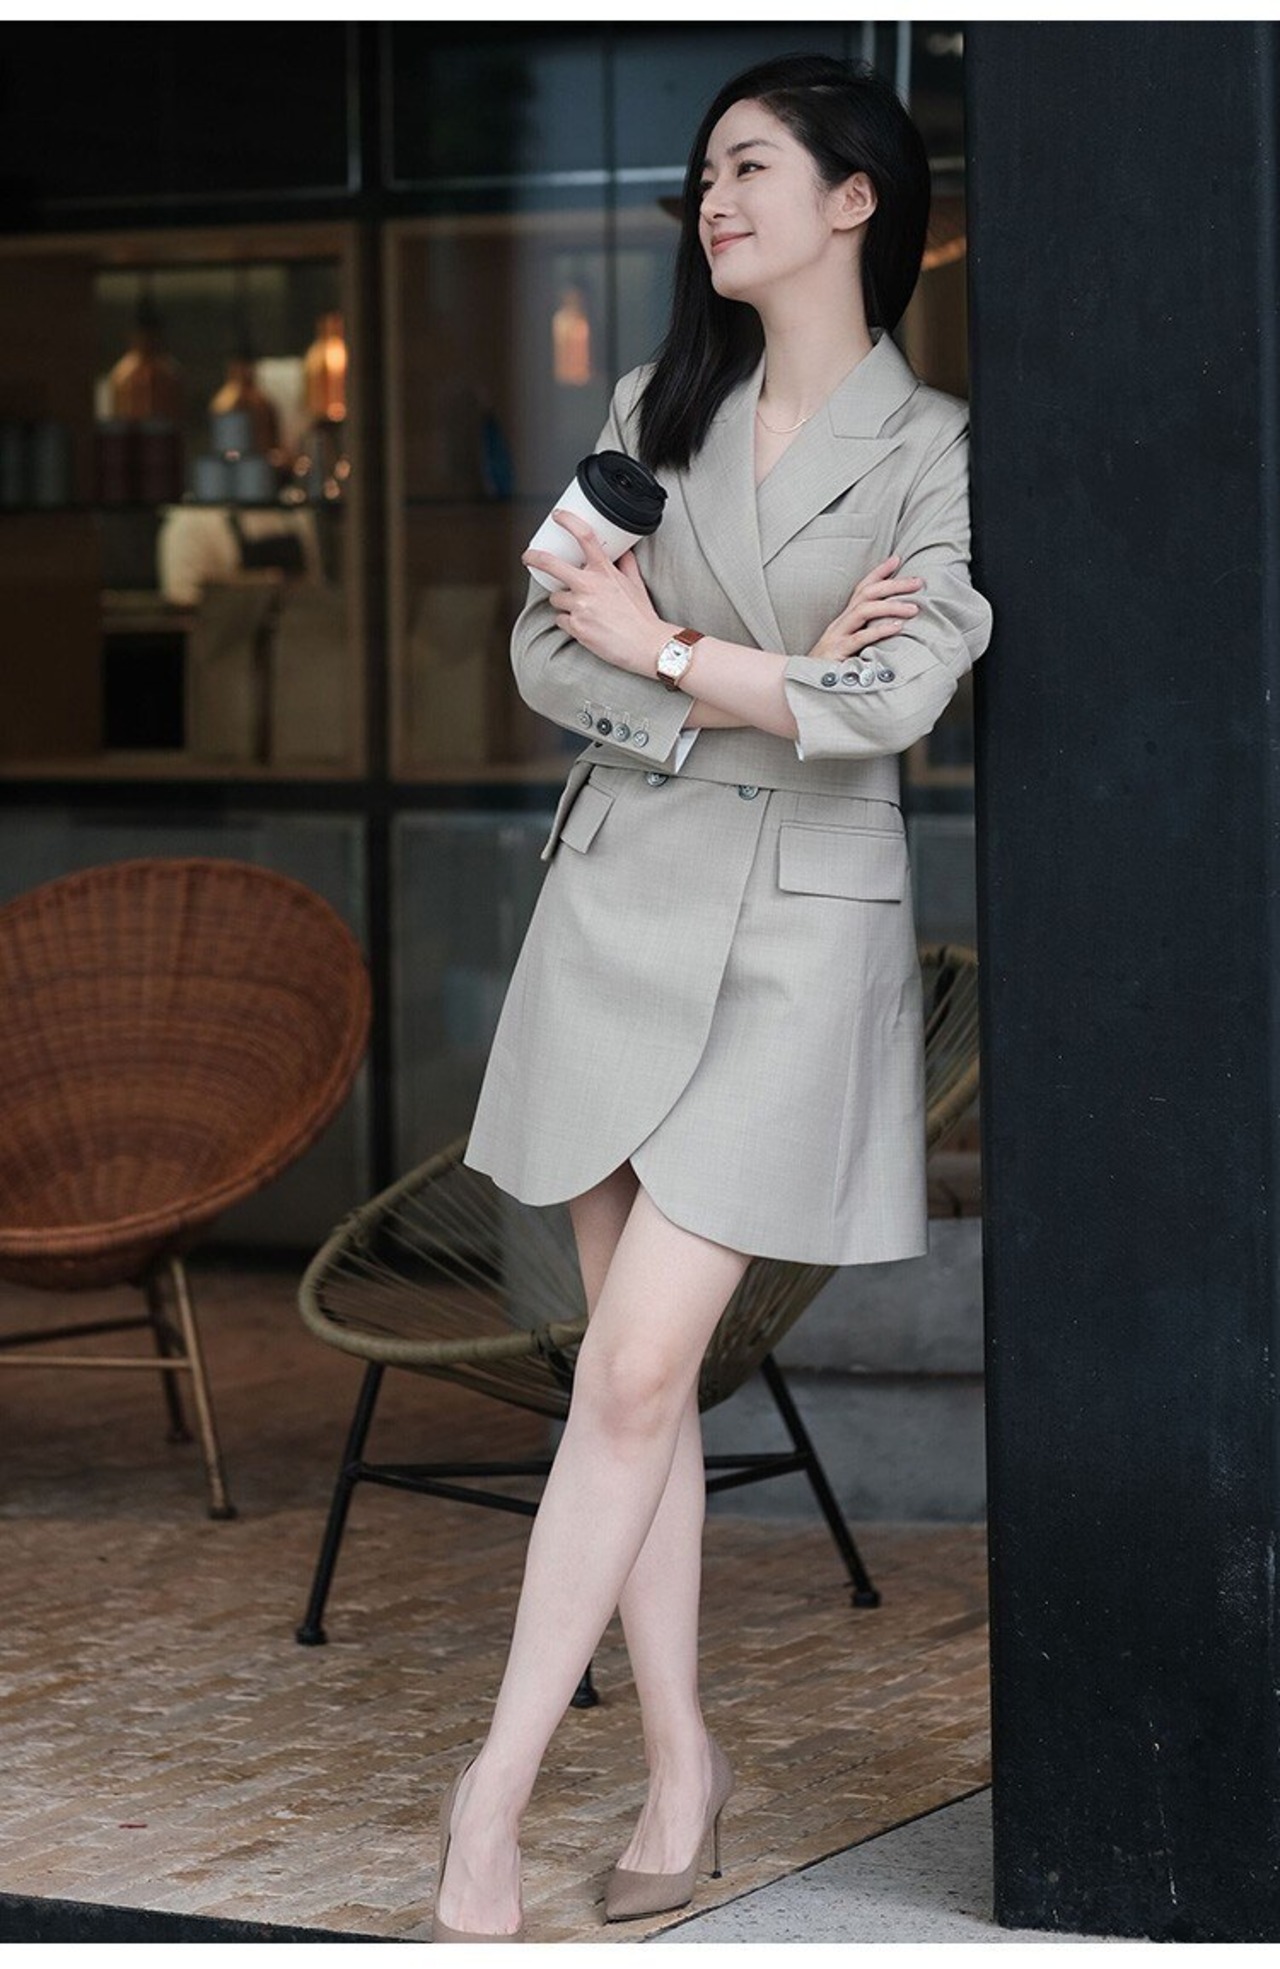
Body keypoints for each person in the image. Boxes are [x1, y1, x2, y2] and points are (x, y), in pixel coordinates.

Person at [438, 51, 994, 1941]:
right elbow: (542, 645)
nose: (713, 200)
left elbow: (893, 703)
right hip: (619, 901)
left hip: (797, 940)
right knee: (640, 1388)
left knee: (628, 1373)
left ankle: (489, 1800)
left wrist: (667, 646)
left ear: (856, 199)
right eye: (703, 174)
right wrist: (750, 685)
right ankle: (683, 1760)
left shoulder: (935, 449)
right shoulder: (650, 409)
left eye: (750, 166)